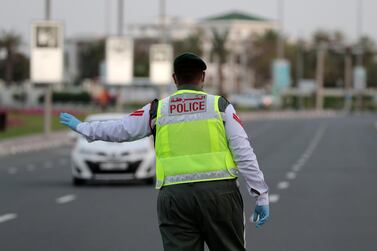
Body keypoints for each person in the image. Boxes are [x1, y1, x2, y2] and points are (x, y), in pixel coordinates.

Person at [60, 53, 269, 251]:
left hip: (174, 198)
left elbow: (121, 129)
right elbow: (244, 152)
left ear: (174, 78)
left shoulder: (158, 109)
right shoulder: (220, 106)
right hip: (219, 195)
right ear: (203, 77)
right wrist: (260, 194)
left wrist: (84, 128)